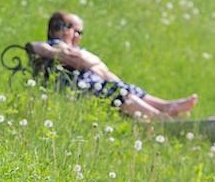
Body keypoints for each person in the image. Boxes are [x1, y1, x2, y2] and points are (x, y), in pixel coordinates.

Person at [32, 11, 199, 120]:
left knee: (126, 88)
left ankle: (166, 107)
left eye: (80, 32)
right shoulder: (57, 45)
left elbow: (100, 69)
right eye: (72, 29)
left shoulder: (73, 49)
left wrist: (105, 72)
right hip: (82, 90)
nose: (76, 35)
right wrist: (92, 62)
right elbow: (40, 48)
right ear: (59, 29)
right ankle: (162, 120)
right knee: (124, 94)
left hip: (93, 86)